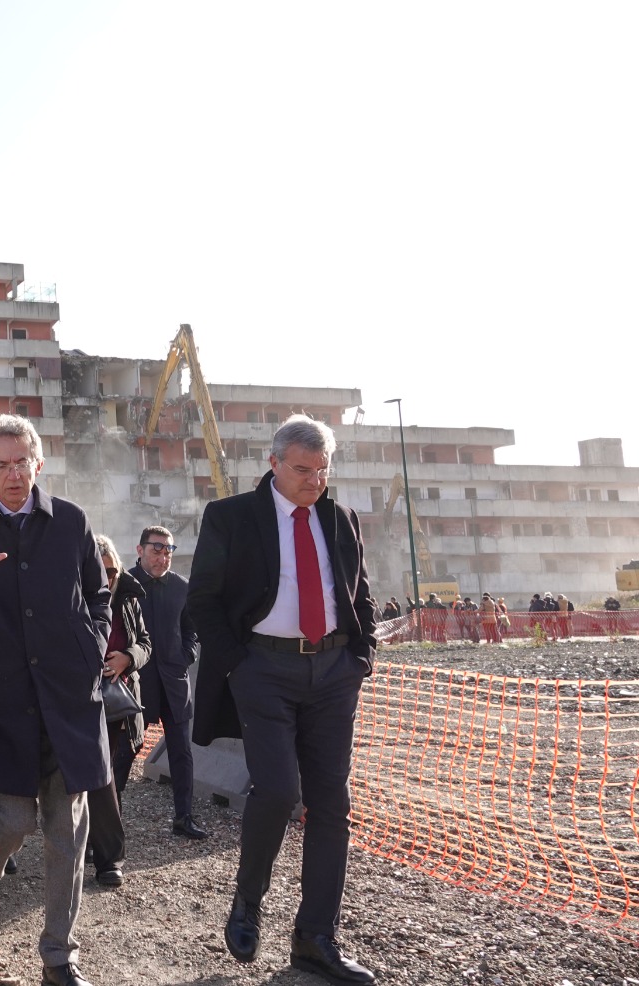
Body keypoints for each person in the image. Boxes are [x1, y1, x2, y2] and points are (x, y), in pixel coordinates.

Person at [186, 415, 377, 985]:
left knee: (331, 804)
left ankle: (316, 938)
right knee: (278, 789)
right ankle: (248, 900)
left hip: (334, 671)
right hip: (262, 669)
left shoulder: (340, 518)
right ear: (272, 463)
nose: (314, 481)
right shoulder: (231, 517)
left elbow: (359, 593)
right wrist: (238, 665)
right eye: (302, 470)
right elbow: (203, 600)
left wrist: (359, 657)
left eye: (323, 471)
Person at [0, 414, 111, 986]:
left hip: (68, 699)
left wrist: (91, 645)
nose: (13, 474)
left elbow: (98, 592)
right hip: (1, 704)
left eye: (23, 462)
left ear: (39, 463)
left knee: (68, 835)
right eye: (2, 464)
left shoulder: (70, 520)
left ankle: (58, 958)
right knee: (12, 821)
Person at [129, 525, 207, 841]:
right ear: (140, 550)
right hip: (136, 683)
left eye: (168, 550)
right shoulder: (126, 585)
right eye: (156, 549)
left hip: (174, 683)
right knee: (123, 753)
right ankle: (107, 825)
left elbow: (192, 629)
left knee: (181, 754)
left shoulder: (181, 587)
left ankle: (184, 817)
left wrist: (185, 654)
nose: (163, 556)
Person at [86, 534, 150, 889]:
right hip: (80, 699)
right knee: (95, 775)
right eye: (99, 570)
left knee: (111, 778)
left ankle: (103, 850)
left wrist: (128, 658)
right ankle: (102, 855)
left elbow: (145, 642)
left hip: (120, 703)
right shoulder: (70, 596)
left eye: (111, 571)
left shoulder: (128, 599)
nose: (106, 578)